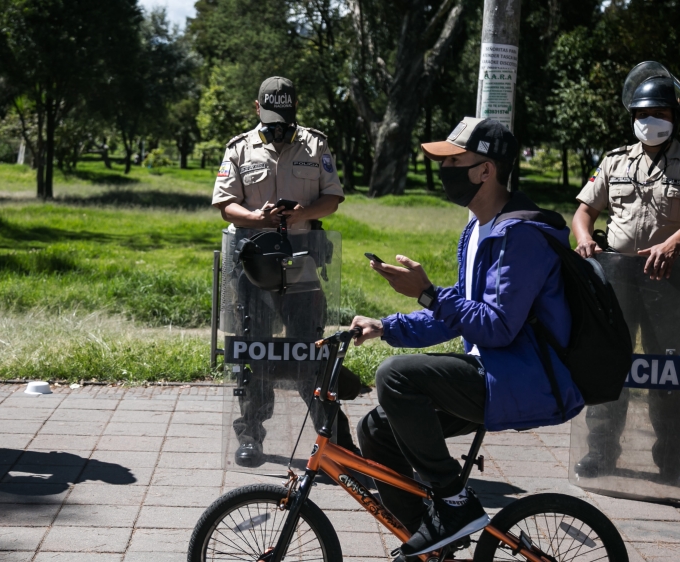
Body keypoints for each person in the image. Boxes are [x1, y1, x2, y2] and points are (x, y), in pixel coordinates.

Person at [349, 117, 585, 557]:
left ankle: (454, 503)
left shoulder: (522, 234)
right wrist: (386, 327)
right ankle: (432, 543)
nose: (445, 169)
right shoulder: (478, 229)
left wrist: (426, 293)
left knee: (396, 378)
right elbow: (460, 313)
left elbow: (496, 326)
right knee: (376, 430)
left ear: (486, 170)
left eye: (455, 160)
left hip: (522, 380)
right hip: (490, 374)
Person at [571, 63, 680, 490]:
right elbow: (584, 211)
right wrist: (583, 238)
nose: (648, 120)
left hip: (667, 283)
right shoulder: (614, 161)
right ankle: (600, 452)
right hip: (615, 280)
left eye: (658, 112)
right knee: (610, 368)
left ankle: (672, 458)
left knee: (665, 373)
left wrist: (673, 244)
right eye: (641, 113)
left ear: (675, 116)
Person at [212, 76, 363, 467]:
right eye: (271, 113)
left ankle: (336, 446)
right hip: (254, 263)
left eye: (286, 114)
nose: (279, 123)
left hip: (301, 261)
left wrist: (302, 213)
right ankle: (250, 434)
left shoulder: (315, 144)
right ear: (257, 108)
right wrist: (255, 217)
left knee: (309, 353)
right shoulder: (240, 149)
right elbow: (225, 204)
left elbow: (332, 197)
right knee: (255, 350)